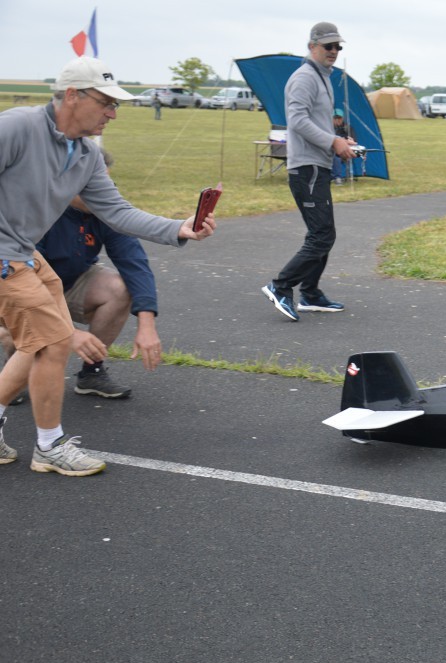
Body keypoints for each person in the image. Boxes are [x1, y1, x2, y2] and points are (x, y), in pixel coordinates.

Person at [0, 56, 216, 477]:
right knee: (52, 344)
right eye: (106, 103)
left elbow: (116, 212)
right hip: (5, 256)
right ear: (71, 96)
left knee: (37, 346)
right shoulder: (16, 127)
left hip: (25, 252)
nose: (113, 113)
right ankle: (49, 446)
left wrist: (180, 229)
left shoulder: (85, 155)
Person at [0, 149, 162, 400]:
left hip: (67, 282)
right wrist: (69, 333)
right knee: (22, 333)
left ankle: (91, 373)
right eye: (91, 184)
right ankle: (16, 372)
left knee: (119, 287)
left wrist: (147, 322)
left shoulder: (105, 209)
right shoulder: (36, 208)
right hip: (16, 288)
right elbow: (27, 282)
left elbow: (134, 263)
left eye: (105, 183)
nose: (101, 190)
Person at [261, 21, 360, 321]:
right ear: (312, 46)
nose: (333, 51)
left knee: (323, 233)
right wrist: (332, 141)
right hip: (307, 168)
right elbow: (298, 121)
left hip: (318, 165)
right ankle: (281, 286)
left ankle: (311, 293)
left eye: (337, 46)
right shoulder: (304, 77)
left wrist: (341, 141)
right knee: (321, 236)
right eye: (328, 46)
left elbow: (314, 121)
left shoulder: (323, 77)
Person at [331, 108, 357, 185]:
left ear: (343, 118)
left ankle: (338, 177)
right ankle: (335, 177)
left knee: (337, 157)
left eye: (339, 118)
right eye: (335, 118)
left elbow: (354, 141)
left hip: (345, 151)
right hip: (330, 151)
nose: (337, 120)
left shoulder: (348, 128)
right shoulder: (328, 128)